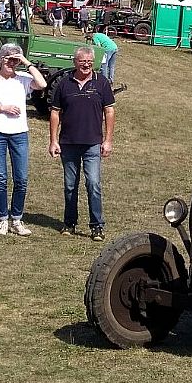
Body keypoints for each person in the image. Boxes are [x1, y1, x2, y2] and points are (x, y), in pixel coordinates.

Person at [0, 44, 47, 236]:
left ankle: (17, 218)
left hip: (19, 133)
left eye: (14, 60)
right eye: (7, 59)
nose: (11, 63)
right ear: (0, 60)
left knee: (21, 179)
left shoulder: (23, 79)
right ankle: (2, 220)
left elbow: (42, 84)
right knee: (1, 178)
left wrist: (25, 62)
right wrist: (2, 108)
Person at [49, 46, 116, 242]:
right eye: (82, 61)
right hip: (68, 143)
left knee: (93, 184)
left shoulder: (102, 83)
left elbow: (109, 111)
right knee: (70, 185)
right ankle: (70, 223)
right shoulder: (64, 83)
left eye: (89, 61)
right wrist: (53, 140)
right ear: (75, 62)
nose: (86, 65)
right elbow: (55, 113)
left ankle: (97, 226)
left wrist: (108, 140)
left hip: (92, 144)